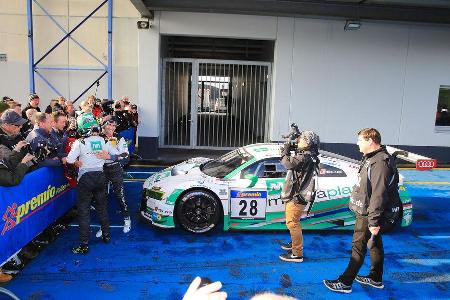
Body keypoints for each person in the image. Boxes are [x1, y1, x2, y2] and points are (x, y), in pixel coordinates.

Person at [323, 128, 391, 293]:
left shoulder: (379, 163)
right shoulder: (372, 158)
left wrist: (374, 220)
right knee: (374, 244)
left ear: (370, 141)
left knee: (358, 247)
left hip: (368, 213)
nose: (357, 143)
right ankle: (375, 278)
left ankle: (345, 282)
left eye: (360, 140)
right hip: (368, 210)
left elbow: (378, 194)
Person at [66, 113, 120, 254]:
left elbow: (70, 160)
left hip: (85, 178)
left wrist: (78, 159)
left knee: (84, 212)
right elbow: (117, 154)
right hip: (100, 176)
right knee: (102, 208)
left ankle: (84, 244)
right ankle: (106, 235)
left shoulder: (80, 142)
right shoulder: (104, 140)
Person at [279, 131, 320, 263]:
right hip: (301, 194)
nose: (298, 141)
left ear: (308, 142)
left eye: (301, 139)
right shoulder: (312, 156)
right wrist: (293, 148)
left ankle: (297, 254)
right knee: (294, 221)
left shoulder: (305, 157)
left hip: (298, 195)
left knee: (292, 223)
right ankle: (294, 244)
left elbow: (288, 164)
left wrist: (285, 151)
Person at [95, 118, 131, 238]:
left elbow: (126, 154)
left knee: (120, 196)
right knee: (101, 198)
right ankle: (103, 225)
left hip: (115, 168)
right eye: (109, 125)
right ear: (104, 126)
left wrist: (110, 156)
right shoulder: (97, 137)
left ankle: (127, 219)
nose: (112, 128)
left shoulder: (119, 137)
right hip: (101, 169)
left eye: (114, 126)